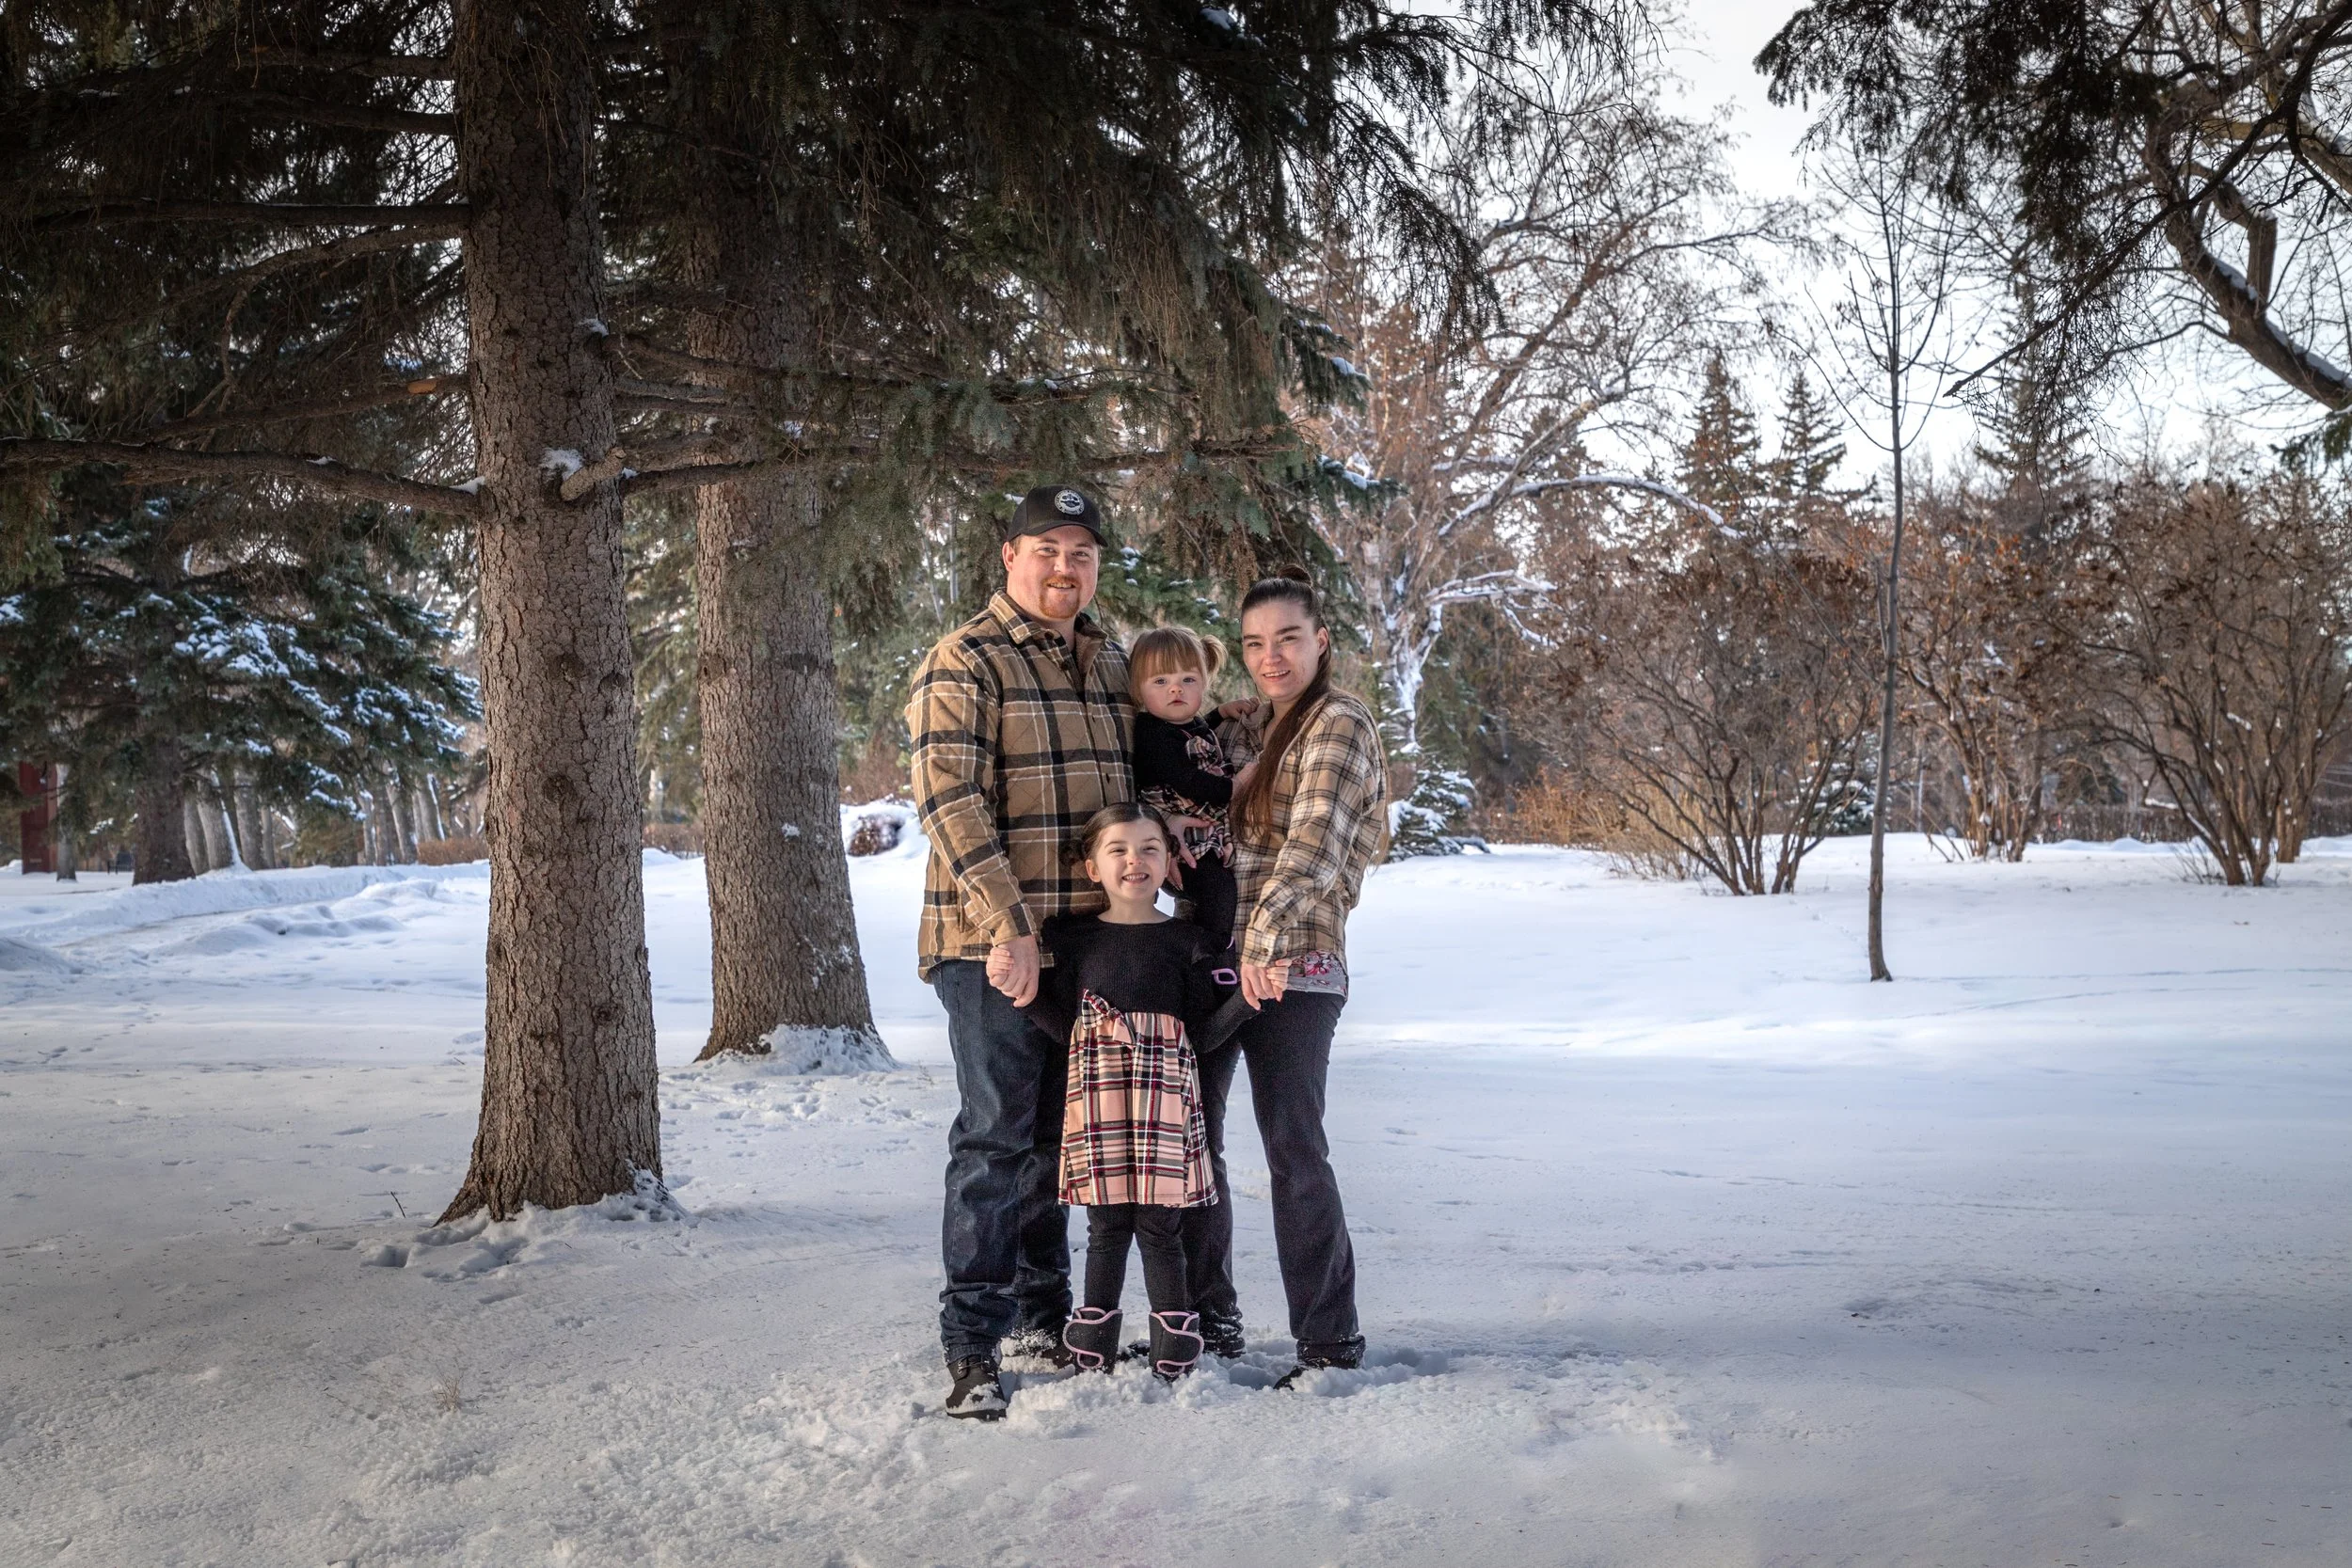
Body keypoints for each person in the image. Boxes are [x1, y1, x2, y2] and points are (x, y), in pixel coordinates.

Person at [907, 483, 1134, 1421]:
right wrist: (1010, 926)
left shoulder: (1108, 659)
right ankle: (973, 1341)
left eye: (1080, 551)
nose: (1063, 567)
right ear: (1009, 555)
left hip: (1085, 938)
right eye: (1045, 548)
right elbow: (951, 803)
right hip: (990, 939)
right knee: (998, 1139)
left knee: (1057, 1137)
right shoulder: (964, 659)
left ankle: (1046, 1313)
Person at [1183, 571, 1390, 1387]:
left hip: (1294, 971)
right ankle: (1209, 1316)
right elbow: (1186, 772)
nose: (1271, 657)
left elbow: (1310, 855)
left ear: (1321, 641)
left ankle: (1328, 1341)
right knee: (1193, 1141)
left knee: (1293, 1148)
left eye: (1288, 639)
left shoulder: (1337, 725)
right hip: (1225, 962)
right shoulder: (1250, 732)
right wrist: (1214, 715)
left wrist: (1264, 948)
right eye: (1255, 645)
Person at [1014, 803, 1243, 1383]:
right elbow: (1069, 1030)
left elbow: (1204, 1036)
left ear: (1170, 864)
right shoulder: (1070, 939)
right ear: (1092, 867)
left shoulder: (1189, 943)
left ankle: (1174, 1335)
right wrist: (1020, 995)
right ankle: (1094, 1339)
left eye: (1149, 849)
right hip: (1098, 1100)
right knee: (1106, 1223)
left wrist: (1247, 1001)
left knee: (1161, 1224)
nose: (1134, 861)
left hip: (1166, 1099)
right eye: (1117, 850)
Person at [1128, 625, 1257, 958]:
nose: (1176, 690)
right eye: (1161, 682)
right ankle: (1206, 956)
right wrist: (1236, 786)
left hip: (1202, 832)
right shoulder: (1150, 733)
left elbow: (1194, 733)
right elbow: (1187, 779)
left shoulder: (1187, 722)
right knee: (1217, 893)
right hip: (1182, 840)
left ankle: (1206, 950)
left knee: (1218, 894)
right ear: (1139, 690)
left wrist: (1218, 714)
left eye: (1188, 680)